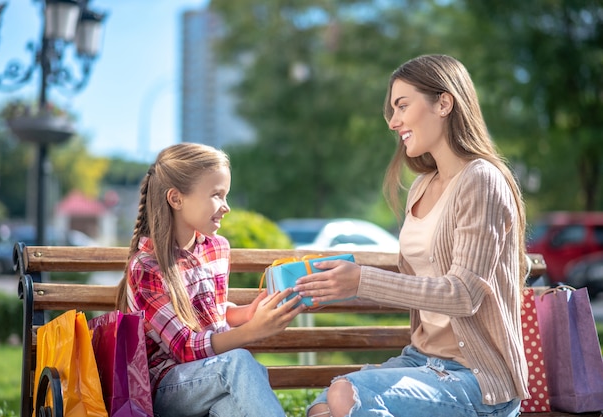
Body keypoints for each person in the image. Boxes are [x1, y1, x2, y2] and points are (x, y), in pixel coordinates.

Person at [294, 54, 530, 417]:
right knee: (321, 407)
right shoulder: (421, 186)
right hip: (422, 361)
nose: (393, 121)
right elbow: (416, 282)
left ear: (444, 103)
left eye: (402, 105)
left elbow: (464, 294)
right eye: (392, 110)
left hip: (477, 379)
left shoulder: (482, 180)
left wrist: (362, 281)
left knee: (345, 398)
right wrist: (337, 280)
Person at [115, 142, 306, 417]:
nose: (226, 207)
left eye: (226, 195)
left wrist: (247, 314)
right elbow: (184, 348)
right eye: (217, 195)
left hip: (212, 378)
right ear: (176, 199)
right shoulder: (147, 267)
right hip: (165, 390)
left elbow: (213, 313)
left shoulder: (217, 248)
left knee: (230, 407)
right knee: (238, 364)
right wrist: (253, 331)